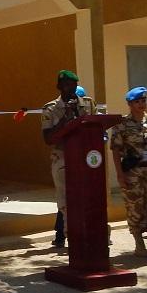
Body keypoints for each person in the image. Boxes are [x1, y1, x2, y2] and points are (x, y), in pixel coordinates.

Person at [110, 86, 147, 256]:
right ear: (130, 104)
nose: (141, 104)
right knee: (134, 207)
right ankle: (139, 244)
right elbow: (115, 150)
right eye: (137, 101)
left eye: (143, 100)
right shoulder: (121, 125)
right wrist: (119, 174)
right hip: (133, 172)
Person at [41, 70, 95, 247]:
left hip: (86, 158)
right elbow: (48, 138)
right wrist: (65, 119)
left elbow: (96, 127)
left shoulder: (88, 104)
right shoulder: (50, 108)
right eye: (65, 85)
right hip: (63, 158)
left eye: (72, 85)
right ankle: (72, 240)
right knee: (66, 203)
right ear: (59, 86)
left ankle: (88, 238)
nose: (69, 89)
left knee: (87, 199)